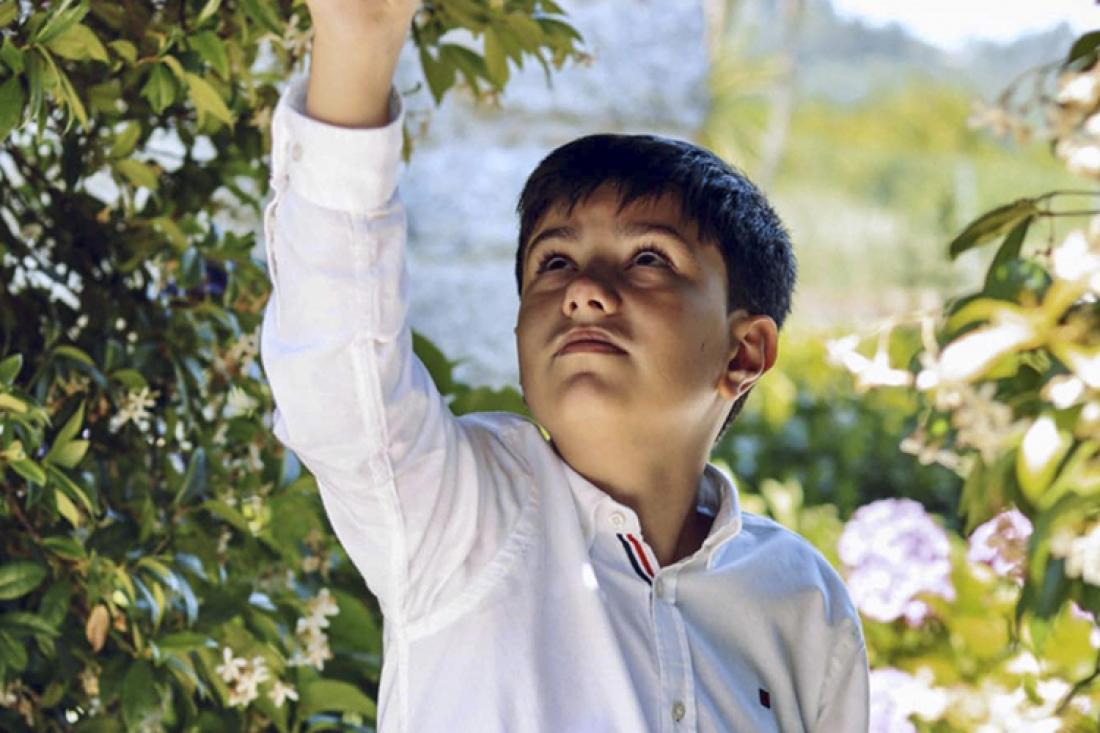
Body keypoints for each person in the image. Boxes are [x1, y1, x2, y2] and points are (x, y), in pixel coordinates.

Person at [259, 0, 870, 730]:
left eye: (648, 258)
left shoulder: (801, 599)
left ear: (744, 352)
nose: (583, 290)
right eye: (553, 261)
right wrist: (358, 40)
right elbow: (336, 362)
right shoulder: (461, 515)